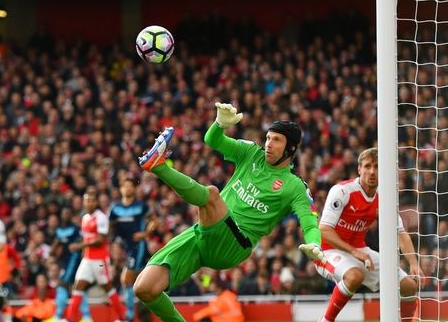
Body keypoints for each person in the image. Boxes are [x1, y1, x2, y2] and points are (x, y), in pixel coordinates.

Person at [133, 102, 326, 322]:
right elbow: (212, 140)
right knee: (144, 288)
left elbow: (309, 221)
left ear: (291, 148)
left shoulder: (295, 186)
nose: (269, 144)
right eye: (268, 138)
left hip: (235, 244)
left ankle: (159, 166)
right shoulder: (251, 153)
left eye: (277, 140)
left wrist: (315, 243)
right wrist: (219, 124)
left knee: (212, 195)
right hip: (204, 232)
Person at [315, 147, 422, 322]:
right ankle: (326, 320)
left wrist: (413, 263)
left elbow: (400, 233)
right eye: (367, 166)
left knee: (409, 287)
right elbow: (324, 230)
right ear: (359, 169)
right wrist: (354, 251)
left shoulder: (384, 196)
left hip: (359, 251)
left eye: (377, 167)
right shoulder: (342, 191)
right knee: (355, 276)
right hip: (327, 251)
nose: (372, 172)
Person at [64, 190, 127, 322]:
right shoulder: (85, 218)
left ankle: (122, 317)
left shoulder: (101, 217)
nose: (89, 203)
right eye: (87, 200)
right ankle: (69, 318)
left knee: (107, 286)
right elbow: (87, 238)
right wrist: (82, 250)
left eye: (92, 200)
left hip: (100, 260)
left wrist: (80, 246)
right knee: (78, 286)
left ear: (96, 202)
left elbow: (100, 240)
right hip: (87, 259)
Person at [109, 178, 156, 322]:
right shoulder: (115, 208)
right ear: (121, 189)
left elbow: (154, 221)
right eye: (126, 186)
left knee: (126, 279)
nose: (128, 188)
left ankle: (128, 315)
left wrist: (146, 234)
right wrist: (113, 243)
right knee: (138, 281)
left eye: (131, 186)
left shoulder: (141, 206)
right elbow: (109, 227)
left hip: (137, 246)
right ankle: (140, 312)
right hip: (124, 247)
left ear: (133, 189)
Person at [52, 208, 91, 322]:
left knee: (62, 285)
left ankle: (58, 316)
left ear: (71, 215)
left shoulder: (76, 229)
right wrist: (55, 246)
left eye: (68, 213)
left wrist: (78, 246)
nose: (65, 215)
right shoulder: (59, 230)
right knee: (78, 287)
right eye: (63, 213)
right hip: (65, 262)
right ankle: (86, 316)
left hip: (74, 261)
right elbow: (54, 248)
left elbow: (83, 241)